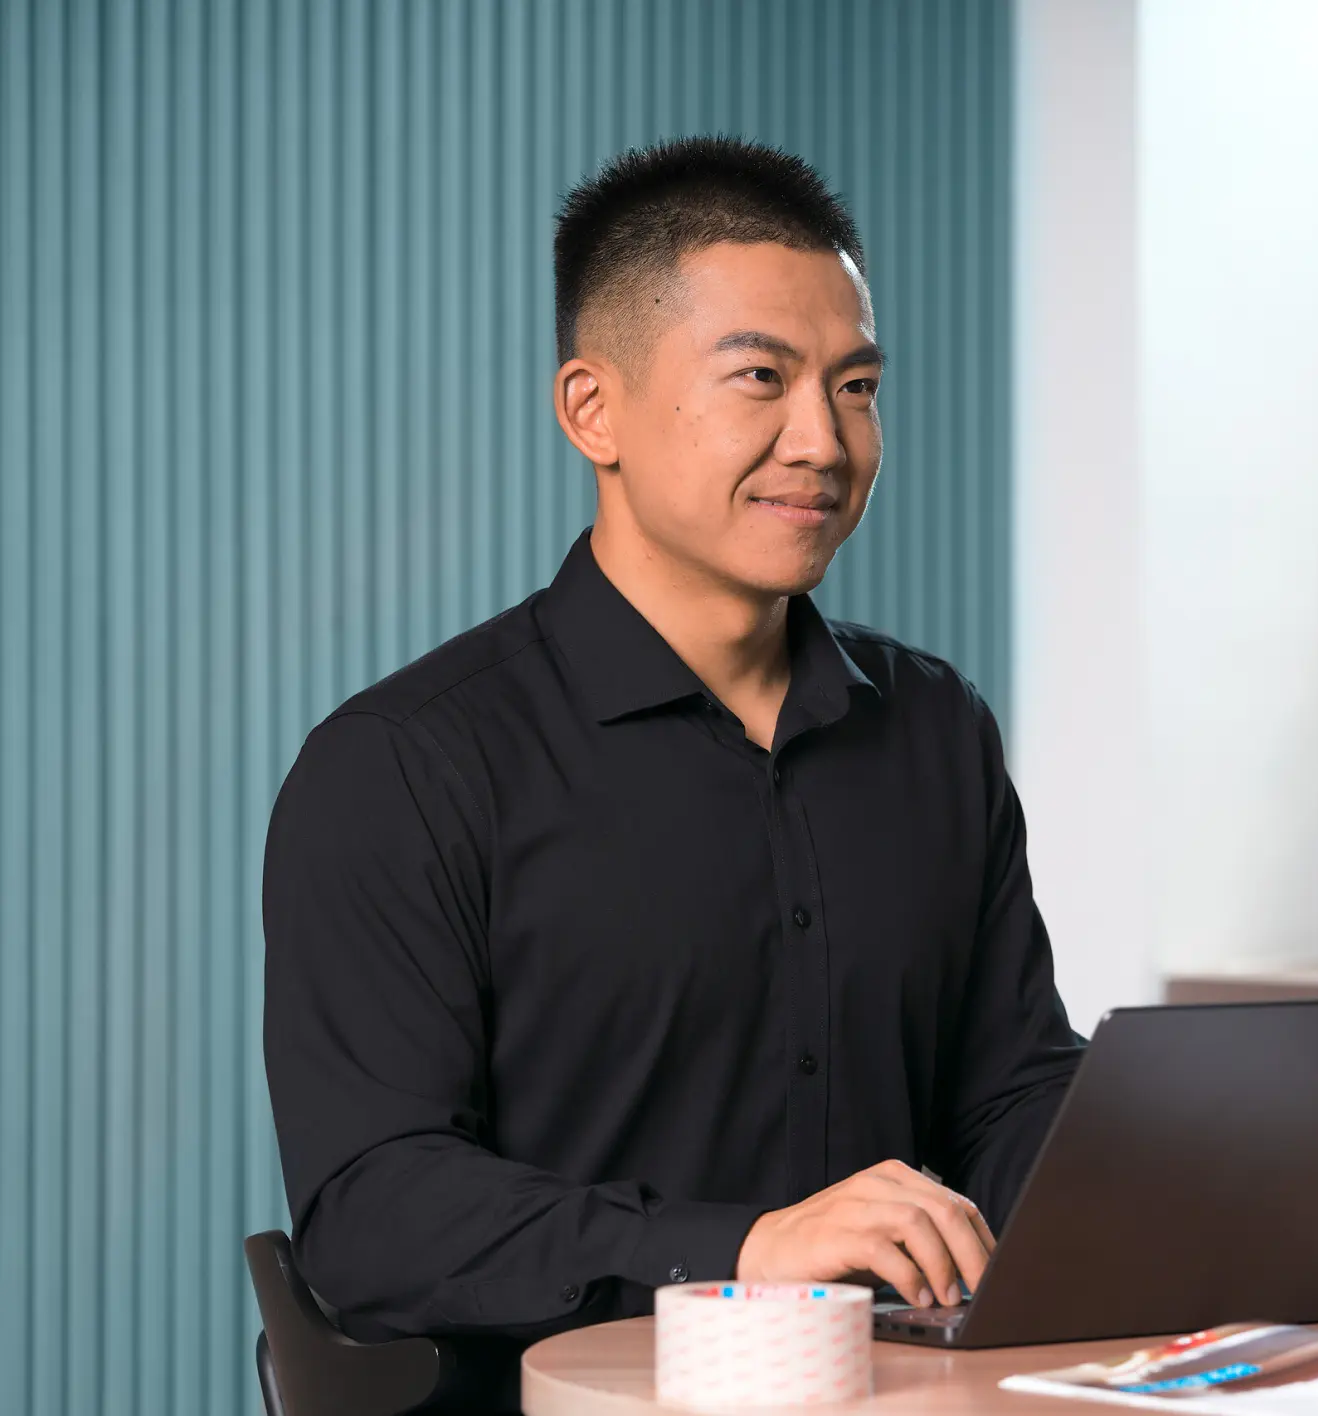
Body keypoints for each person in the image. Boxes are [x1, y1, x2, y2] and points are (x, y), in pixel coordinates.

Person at [262, 137, 1083, 1347]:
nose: (823, 441)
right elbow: (377, 1211)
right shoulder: (402, 768)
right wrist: (746, 1255)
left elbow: (1006, 1092)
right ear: (594, 409)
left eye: (855, 387)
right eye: (762, 377)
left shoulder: (934, 729)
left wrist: (1184, 1185)